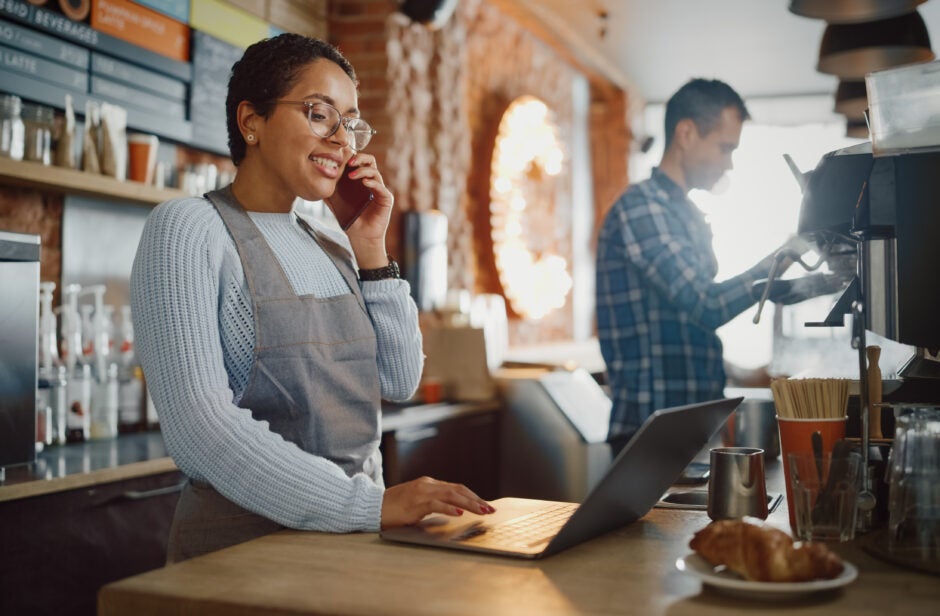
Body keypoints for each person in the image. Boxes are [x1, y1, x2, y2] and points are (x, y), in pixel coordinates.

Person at [130, 33, 493, 563]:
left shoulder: (331, 242)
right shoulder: (188, 228)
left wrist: (370, 247)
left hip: (351, 545)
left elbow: (398, 379)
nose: (343, 140)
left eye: (350, 123)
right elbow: (200, 432)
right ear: (251, 120)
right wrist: (365, 506)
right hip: (241, 557)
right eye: (320, 114)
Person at [595, 78, 813, 453]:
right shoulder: (643, 207)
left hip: (687, 423)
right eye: (725, 147)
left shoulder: (686, 214)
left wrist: (741, 372)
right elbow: (705, 305)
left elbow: (683, 330)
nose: (729, 163)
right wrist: (787, 255)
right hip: (651, 431)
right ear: (686, 133)